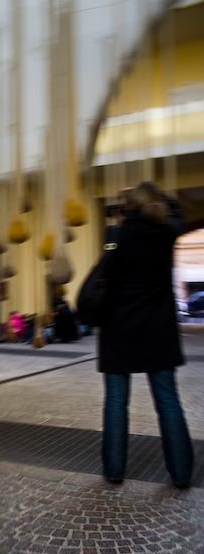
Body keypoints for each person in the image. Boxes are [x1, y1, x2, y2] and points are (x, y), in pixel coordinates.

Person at [99, 182, 194, 488]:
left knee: (116, 402)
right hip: (158, 330)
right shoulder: (167, 233)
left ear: (130, 206)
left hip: (119, 328)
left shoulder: (117, 235)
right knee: (168, 400)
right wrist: (157, 195)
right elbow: (177, 210)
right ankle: (181, 474)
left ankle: (115, 470)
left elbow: (107, 278)